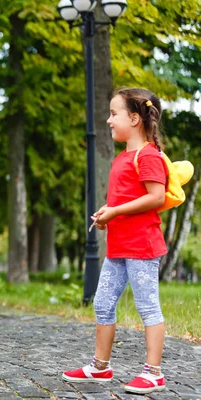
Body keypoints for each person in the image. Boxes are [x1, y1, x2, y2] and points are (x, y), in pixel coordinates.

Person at [62, 88, 169, 394]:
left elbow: (156, 197)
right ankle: (100, 367)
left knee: (148, 307)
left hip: (142, 248)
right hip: (119, 247)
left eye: (114, 113)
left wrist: (115, 210)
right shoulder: (124, 157)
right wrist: (108, 213)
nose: (108, 120)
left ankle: (154, 373)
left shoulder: (148, 155)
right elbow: (125, 199)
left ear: (134, 118)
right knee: (103, 303)